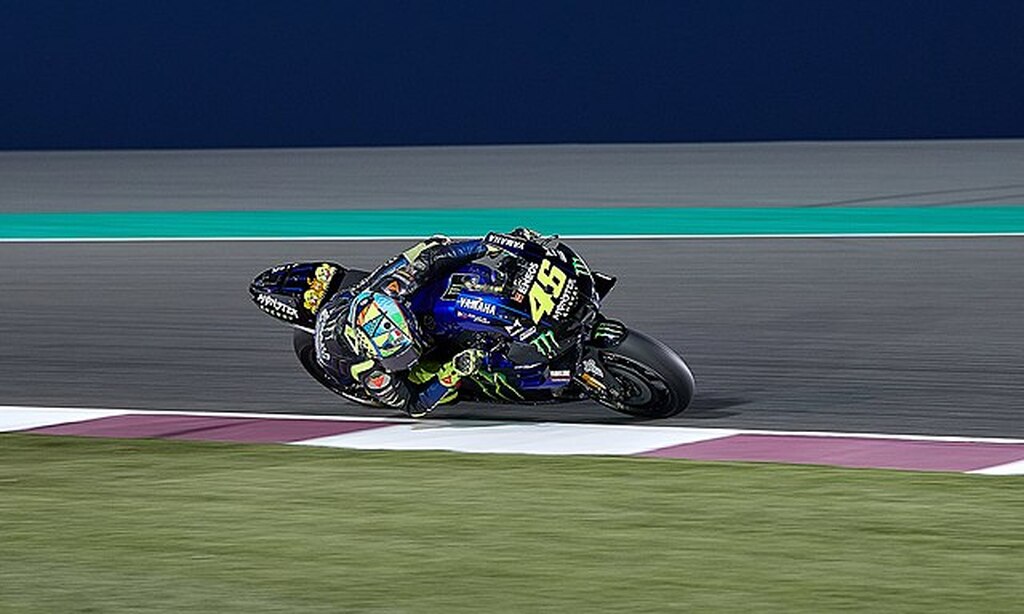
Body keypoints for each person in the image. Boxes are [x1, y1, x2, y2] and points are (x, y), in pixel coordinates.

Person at [314, 234, 504, 417]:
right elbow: (414, 406)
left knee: (431, 249)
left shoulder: (390, 290)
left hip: (351, 299)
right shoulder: (369, 371)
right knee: (445, 389)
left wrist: (485, 245)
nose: (409, 357)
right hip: (337, 348)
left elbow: (430, 260)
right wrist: (452, 373)